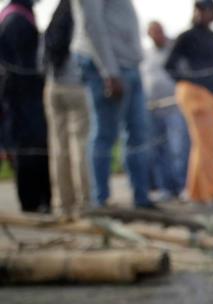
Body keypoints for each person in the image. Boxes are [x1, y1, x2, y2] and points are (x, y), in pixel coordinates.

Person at [72, 0, 154, 209]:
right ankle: (101, 200)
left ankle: (141, 197)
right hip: (110, 69)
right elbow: (92, 24)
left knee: (138, 135)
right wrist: (109, 72)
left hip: (129, 66)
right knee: (105, 135)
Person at [165, 0, 213, 206]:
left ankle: (197, 192)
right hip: (195, 95)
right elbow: (169, 65)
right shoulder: (186, 36)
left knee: (204, 145)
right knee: (205, 145)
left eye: (205, 10)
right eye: (198, 9)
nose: (201, 14)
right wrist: (190, 81)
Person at [1, 0, 52, 213]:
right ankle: (34, 201)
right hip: (23, 97)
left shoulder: (13, 15)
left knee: (29, 145)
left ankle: (35, 199)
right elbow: (23, 63)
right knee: (31, 146)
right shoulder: (16, 19)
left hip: (19, 95)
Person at [42, 0, 90, 220]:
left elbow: (41, 56)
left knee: (58, 147)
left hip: (52, 85)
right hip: (76, 86)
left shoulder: (55, 15)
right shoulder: (80, 12)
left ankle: (62, 204)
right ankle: (84, 203)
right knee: (80, 144)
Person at [143, 21, 189, 201]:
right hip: (153, 107)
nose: (158, 35)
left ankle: (181, 185)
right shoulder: (146, 55)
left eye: (160, 31)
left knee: (178, 148)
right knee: (158, 149)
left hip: (174, 106)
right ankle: (165, 188)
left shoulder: (174, 51)